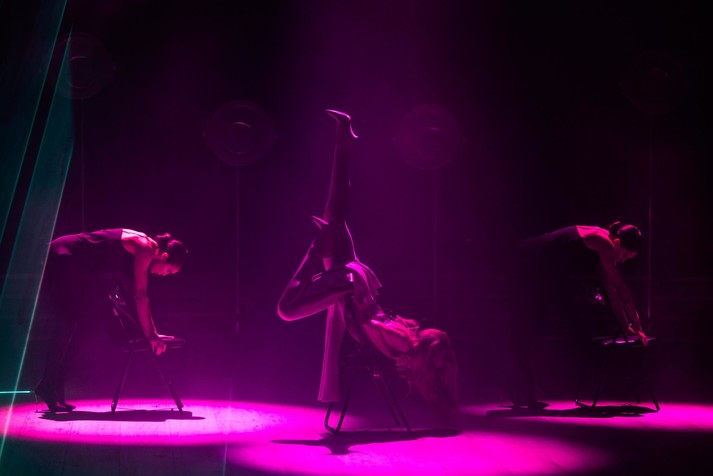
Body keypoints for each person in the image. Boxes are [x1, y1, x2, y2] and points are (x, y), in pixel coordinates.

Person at [277, 110, 458, 417]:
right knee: (287, 309)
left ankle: (344, 142)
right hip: (351, 290)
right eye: (435, 362)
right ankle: (317, 243)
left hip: (358, 285)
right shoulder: (405, 343)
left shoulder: (408, 341)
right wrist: (391, 352)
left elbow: (377, 325)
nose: (432, 367)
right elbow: (373, 324)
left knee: (336, 211)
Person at [35, 228, 187, 412]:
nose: (164, 275)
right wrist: (151, 335)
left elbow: (139, 297)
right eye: (169, 271)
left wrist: (152, 333)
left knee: (87, 328)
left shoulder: (146, 246)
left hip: (78, 265)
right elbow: (140, 295)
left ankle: (54, 384)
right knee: (66, 323)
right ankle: (48, 384)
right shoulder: (145, 248)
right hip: (66, 255)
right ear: (163, 256)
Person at [505, 222, 648, 408]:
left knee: (535, 328)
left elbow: (613, 292)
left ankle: (520, 389)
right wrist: (637, 326)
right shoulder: (605, 243)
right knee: (532, 328)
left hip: (540, 269)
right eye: (624, 256)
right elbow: (622, 288)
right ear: (618, 242)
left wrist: (626, 327)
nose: (622, 261)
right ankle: (516, 387)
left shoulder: (604, 247)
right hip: (531, 261)